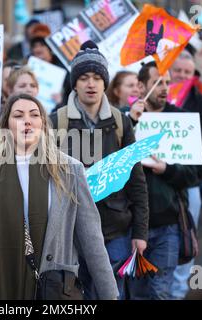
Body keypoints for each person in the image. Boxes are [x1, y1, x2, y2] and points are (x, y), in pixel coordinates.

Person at [0, 93, 118, 300]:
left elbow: (92, 241)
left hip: (53, 290)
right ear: (6, 126)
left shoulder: (69, 170)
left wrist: (110, 295)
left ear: (43, 124)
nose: (27, 121)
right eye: (18, 115)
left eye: (34, 115)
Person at [49, 40, 149, 300]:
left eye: (96, 77)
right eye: (83, 78)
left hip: (114, 230)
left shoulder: (120, 121)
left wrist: (140, 232)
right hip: (71, 232)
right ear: (75, 83)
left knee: (111, 294)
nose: (90, 84)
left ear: (105, 83)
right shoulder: (55, 120)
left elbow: (136, 179)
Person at [130, 62, 202, 300]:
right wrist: (131, 122)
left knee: (161, 292)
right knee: (138, 292)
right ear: (141, 87)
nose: (164, 88)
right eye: (157, 83)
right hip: (133, 226)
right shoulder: (126, 120)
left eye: (167, 83)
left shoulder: (182, 120)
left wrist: (167, 169)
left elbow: (194, 174)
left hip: (169, 224)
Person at [168, 50, 202, 299]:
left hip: (189, 180)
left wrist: (185, 134)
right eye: (178, 70)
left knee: (187, 235)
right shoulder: (152, 98)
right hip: (157, 181)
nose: (182, 75)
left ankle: (178, 291)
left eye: (187, 72)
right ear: (169, 71)